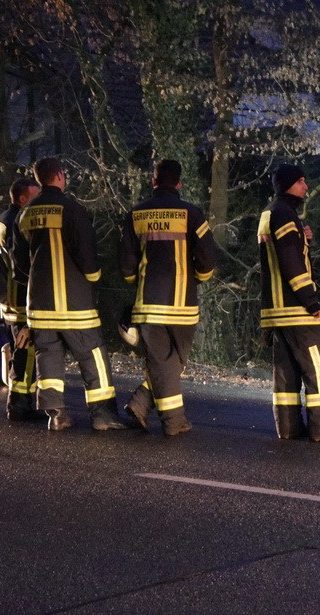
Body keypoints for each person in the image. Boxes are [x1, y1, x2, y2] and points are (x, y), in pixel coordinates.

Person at [11, 157, 126, 431]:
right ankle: (103, 416)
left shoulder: (24, 214)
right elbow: (86, 253)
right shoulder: (72, 210)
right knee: (93, 356)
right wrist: (94, 277)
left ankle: (56, 414)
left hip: (39, 307)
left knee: (48, 357)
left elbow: (20, 266)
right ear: (60, 176)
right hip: (76, 306)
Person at [119, 159, 217, 436]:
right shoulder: (192, 214)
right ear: (178, 183)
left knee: (163, 364)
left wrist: (135, 281)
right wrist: (199, 277)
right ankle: (173, 423)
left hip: (148, 306)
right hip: (183, 307)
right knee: (174, 363)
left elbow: (126, 263)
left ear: (153, 182)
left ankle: (141, 404)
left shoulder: (136, 214)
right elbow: (208, 258)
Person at [257, 163, 320, 442]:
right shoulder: (285, 214)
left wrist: (303, 239)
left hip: (275, 309)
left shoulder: (270, 214)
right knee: (319, 368)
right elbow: (292, 263)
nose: (305, 187)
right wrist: (310, 301)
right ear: (288, 185)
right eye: (301, 182)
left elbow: (282, 253)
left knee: (285, 371)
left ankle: (288, 429)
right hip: (296, 309)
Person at [0, 177, 41, 420]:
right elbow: (20, 266)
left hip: (8, 299)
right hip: (20, 300)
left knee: (18, 349)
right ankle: (20, 405)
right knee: (25, 351)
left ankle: (19, 402)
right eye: (35, 196)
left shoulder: (2, 220)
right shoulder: (16, 224)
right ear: (23, 199)